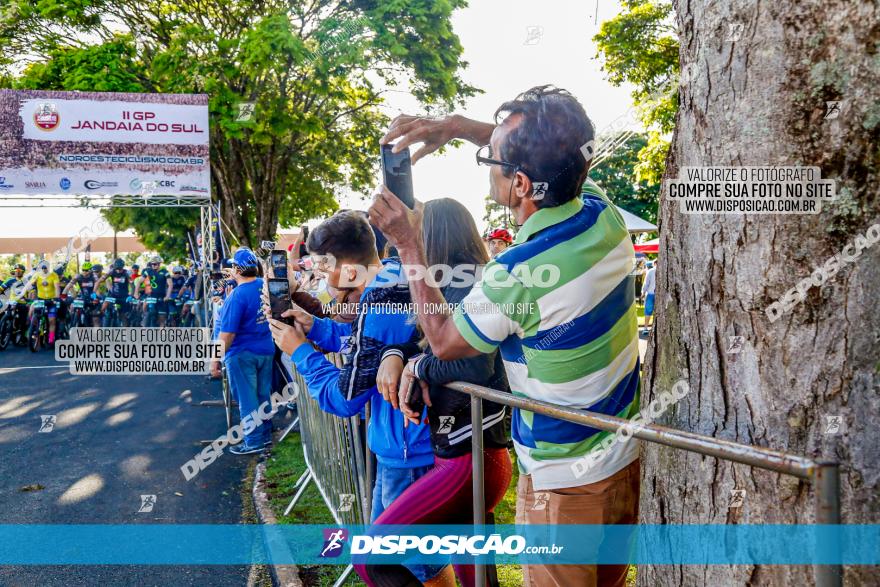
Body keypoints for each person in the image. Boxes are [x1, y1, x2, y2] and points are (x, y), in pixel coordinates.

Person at [370, 85, 641, 587]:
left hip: (564, 483)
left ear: (519, 184)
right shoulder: (600, 216)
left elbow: (445, 341)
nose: (485, 159)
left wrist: (408, 243)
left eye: (490, 157)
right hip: (624, 457)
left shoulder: (516, 272)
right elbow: (555, 158)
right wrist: (456, 126)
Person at [266, 211, 439, 585]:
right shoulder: (394, 274)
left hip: (406, 451)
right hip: (406, 445)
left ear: (343, 266)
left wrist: (300, 352)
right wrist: (318, 329)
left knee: (409, 568)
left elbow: (344, 397)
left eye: (323, 266)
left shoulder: (378, 302)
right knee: (394, 562)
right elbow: (368, 350)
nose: (323, 277)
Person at [356, 198, 513, 587]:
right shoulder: (452, 282)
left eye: (416, 230)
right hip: (467, 454)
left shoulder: (469, 283)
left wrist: (418, 366)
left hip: (468, 459)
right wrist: (397, 355)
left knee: (372, 556)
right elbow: (419, 343)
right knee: (477, 578)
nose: (410, 239)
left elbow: (473, 362)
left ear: (433, 234)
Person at [217, 248, 276, 454]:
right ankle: (265, 435)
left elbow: (227, 335)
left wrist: (214, 360)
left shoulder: (237, 296)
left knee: (247, 399)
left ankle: (253, 441)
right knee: (262, 394)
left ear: (237, 269)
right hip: (266, 349)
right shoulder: (264, 286)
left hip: (242, 353)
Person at [29, 262, 61, 344]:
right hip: (40, 299)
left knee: (52, 320)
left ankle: (51, 338)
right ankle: (32, 328)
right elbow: (30, 284)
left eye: (45, 268)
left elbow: (57, 287)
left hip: (51, 300)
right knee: (32, 310)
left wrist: (57, 297)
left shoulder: (54, 275)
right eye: (42, 268)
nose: (44, 269)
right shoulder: (37, 275)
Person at [64, 262, 100, 327]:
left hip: (92, 297)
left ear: (90, 270)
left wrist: (96, 297)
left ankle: (96, 334)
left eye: (86, 270)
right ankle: (72, 324)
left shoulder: (94, 277)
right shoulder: (78, 276)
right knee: (73, 306)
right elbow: (69, 285)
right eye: (83, 270)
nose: (84, 272)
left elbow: (97, 288)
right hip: (83, 297)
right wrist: (63, 295)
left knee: (95, 319)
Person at [101, 259, 132, 326]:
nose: (118, 271)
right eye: (117, 269)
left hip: (124, 296)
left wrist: (131, 295)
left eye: (120, 269)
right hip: (113, 295)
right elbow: (101, 280)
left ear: (123, 267)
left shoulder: (127, 273)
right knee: (104, 306)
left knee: (124, 316)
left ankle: (126, 334)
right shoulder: (111, 272)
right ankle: (103, 319)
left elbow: (132, 285)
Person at [641, 259, 657, 334]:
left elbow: (646, 283)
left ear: (654, 264)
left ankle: (645, 328)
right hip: (659, 295)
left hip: (651, 294)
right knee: (658, 312)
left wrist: (643, 293)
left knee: (648, 311)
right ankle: (655, 328)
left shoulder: (650, 271)